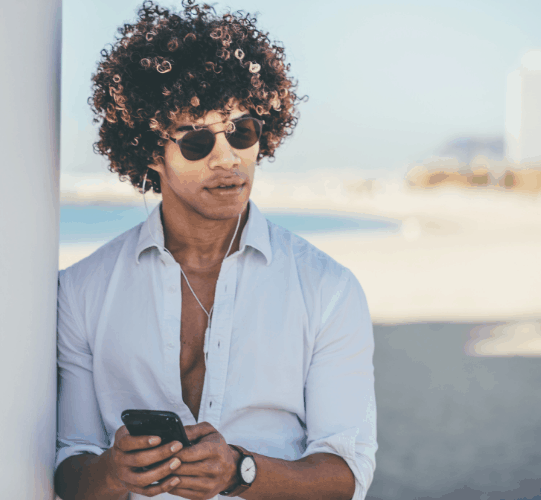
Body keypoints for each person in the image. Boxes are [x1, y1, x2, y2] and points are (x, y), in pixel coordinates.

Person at [54, 1, 377, 499]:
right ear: (148, 153)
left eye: (242, 132)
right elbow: (69, 464)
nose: (229, 159)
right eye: (197, 141)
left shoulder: (328, 289)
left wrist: (240, 471)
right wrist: (112, 473)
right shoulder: (80, 291)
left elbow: (347, 476)